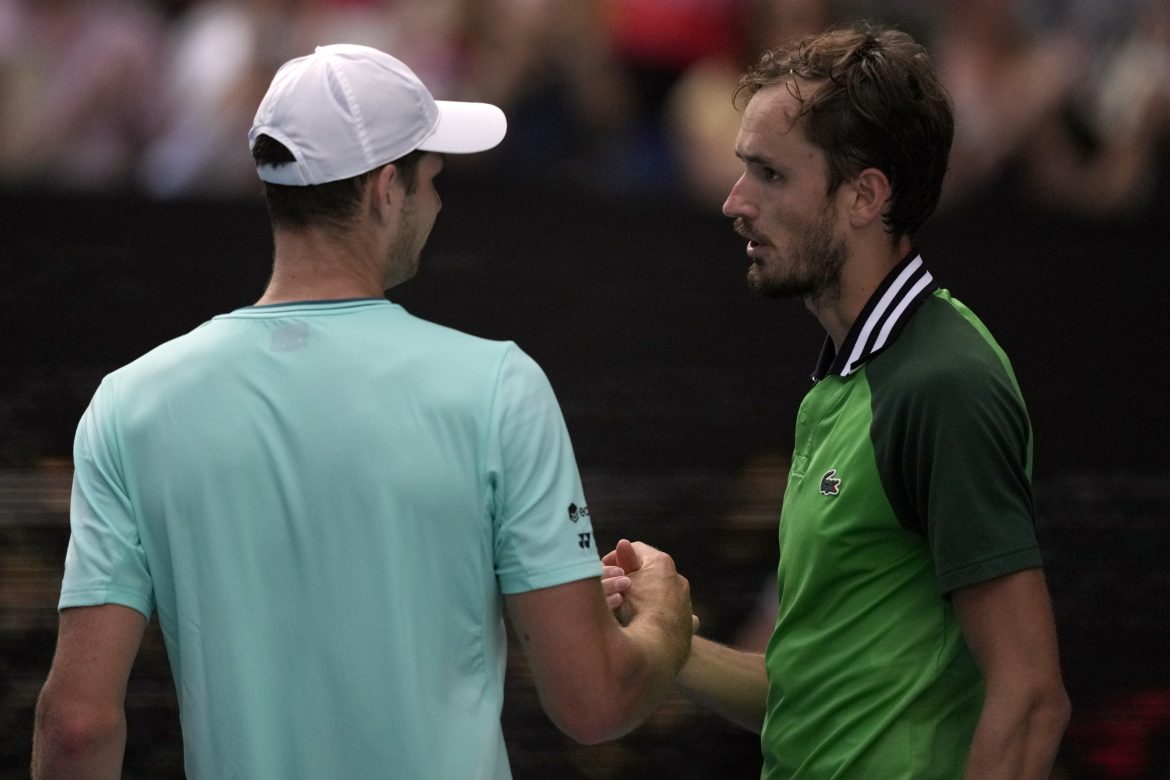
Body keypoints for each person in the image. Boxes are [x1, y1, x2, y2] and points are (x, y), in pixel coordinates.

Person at [31, 43, 694, 780]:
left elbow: (76, 727)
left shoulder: (131, 403)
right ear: (385, 190)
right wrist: (665, 617)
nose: (437, 202)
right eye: (431, 179)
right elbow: (595, 702)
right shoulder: (499, 386)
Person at [605, 23, 1070, 777]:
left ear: (865, 196)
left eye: (770, 175)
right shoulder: (842, 385)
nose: (735, 203)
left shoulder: (942, 382)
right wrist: (663, 637)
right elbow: (811, 695)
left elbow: (1030, 698)